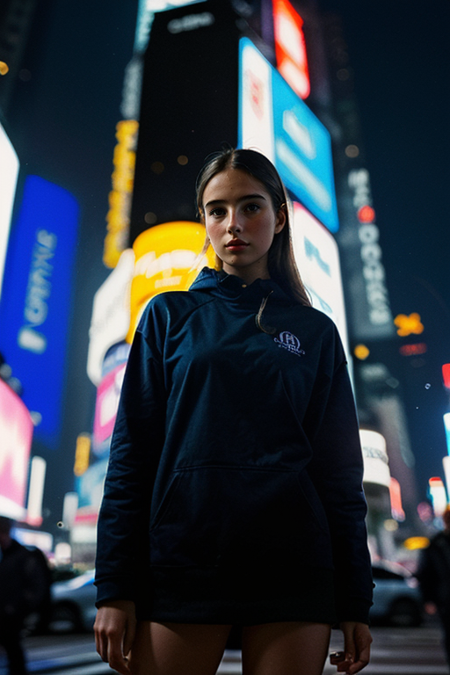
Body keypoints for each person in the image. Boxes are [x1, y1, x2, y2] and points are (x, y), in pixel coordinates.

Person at [94, 147, 373, 675]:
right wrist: (116, 588)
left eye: (251, 207)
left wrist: (355, 601)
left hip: (293, 564)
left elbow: (340, 477)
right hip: (185, 558)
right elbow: (131, 458)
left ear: (280, 215)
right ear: (203, 219)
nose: (233, 224)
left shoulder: (315, 332)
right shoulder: (167, 315)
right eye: (217, 210)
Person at [0, 516, 52, 675]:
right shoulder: (14, 554)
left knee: (14, 651)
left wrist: (17, 608)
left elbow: (36, 586)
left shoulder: (22, 556)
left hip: (11, 614)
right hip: (8, 611)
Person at [417, 507, 450, 667]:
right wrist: (429, 599)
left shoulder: (436, 544)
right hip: (446, 599)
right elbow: (426, 574)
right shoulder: (436, 544)